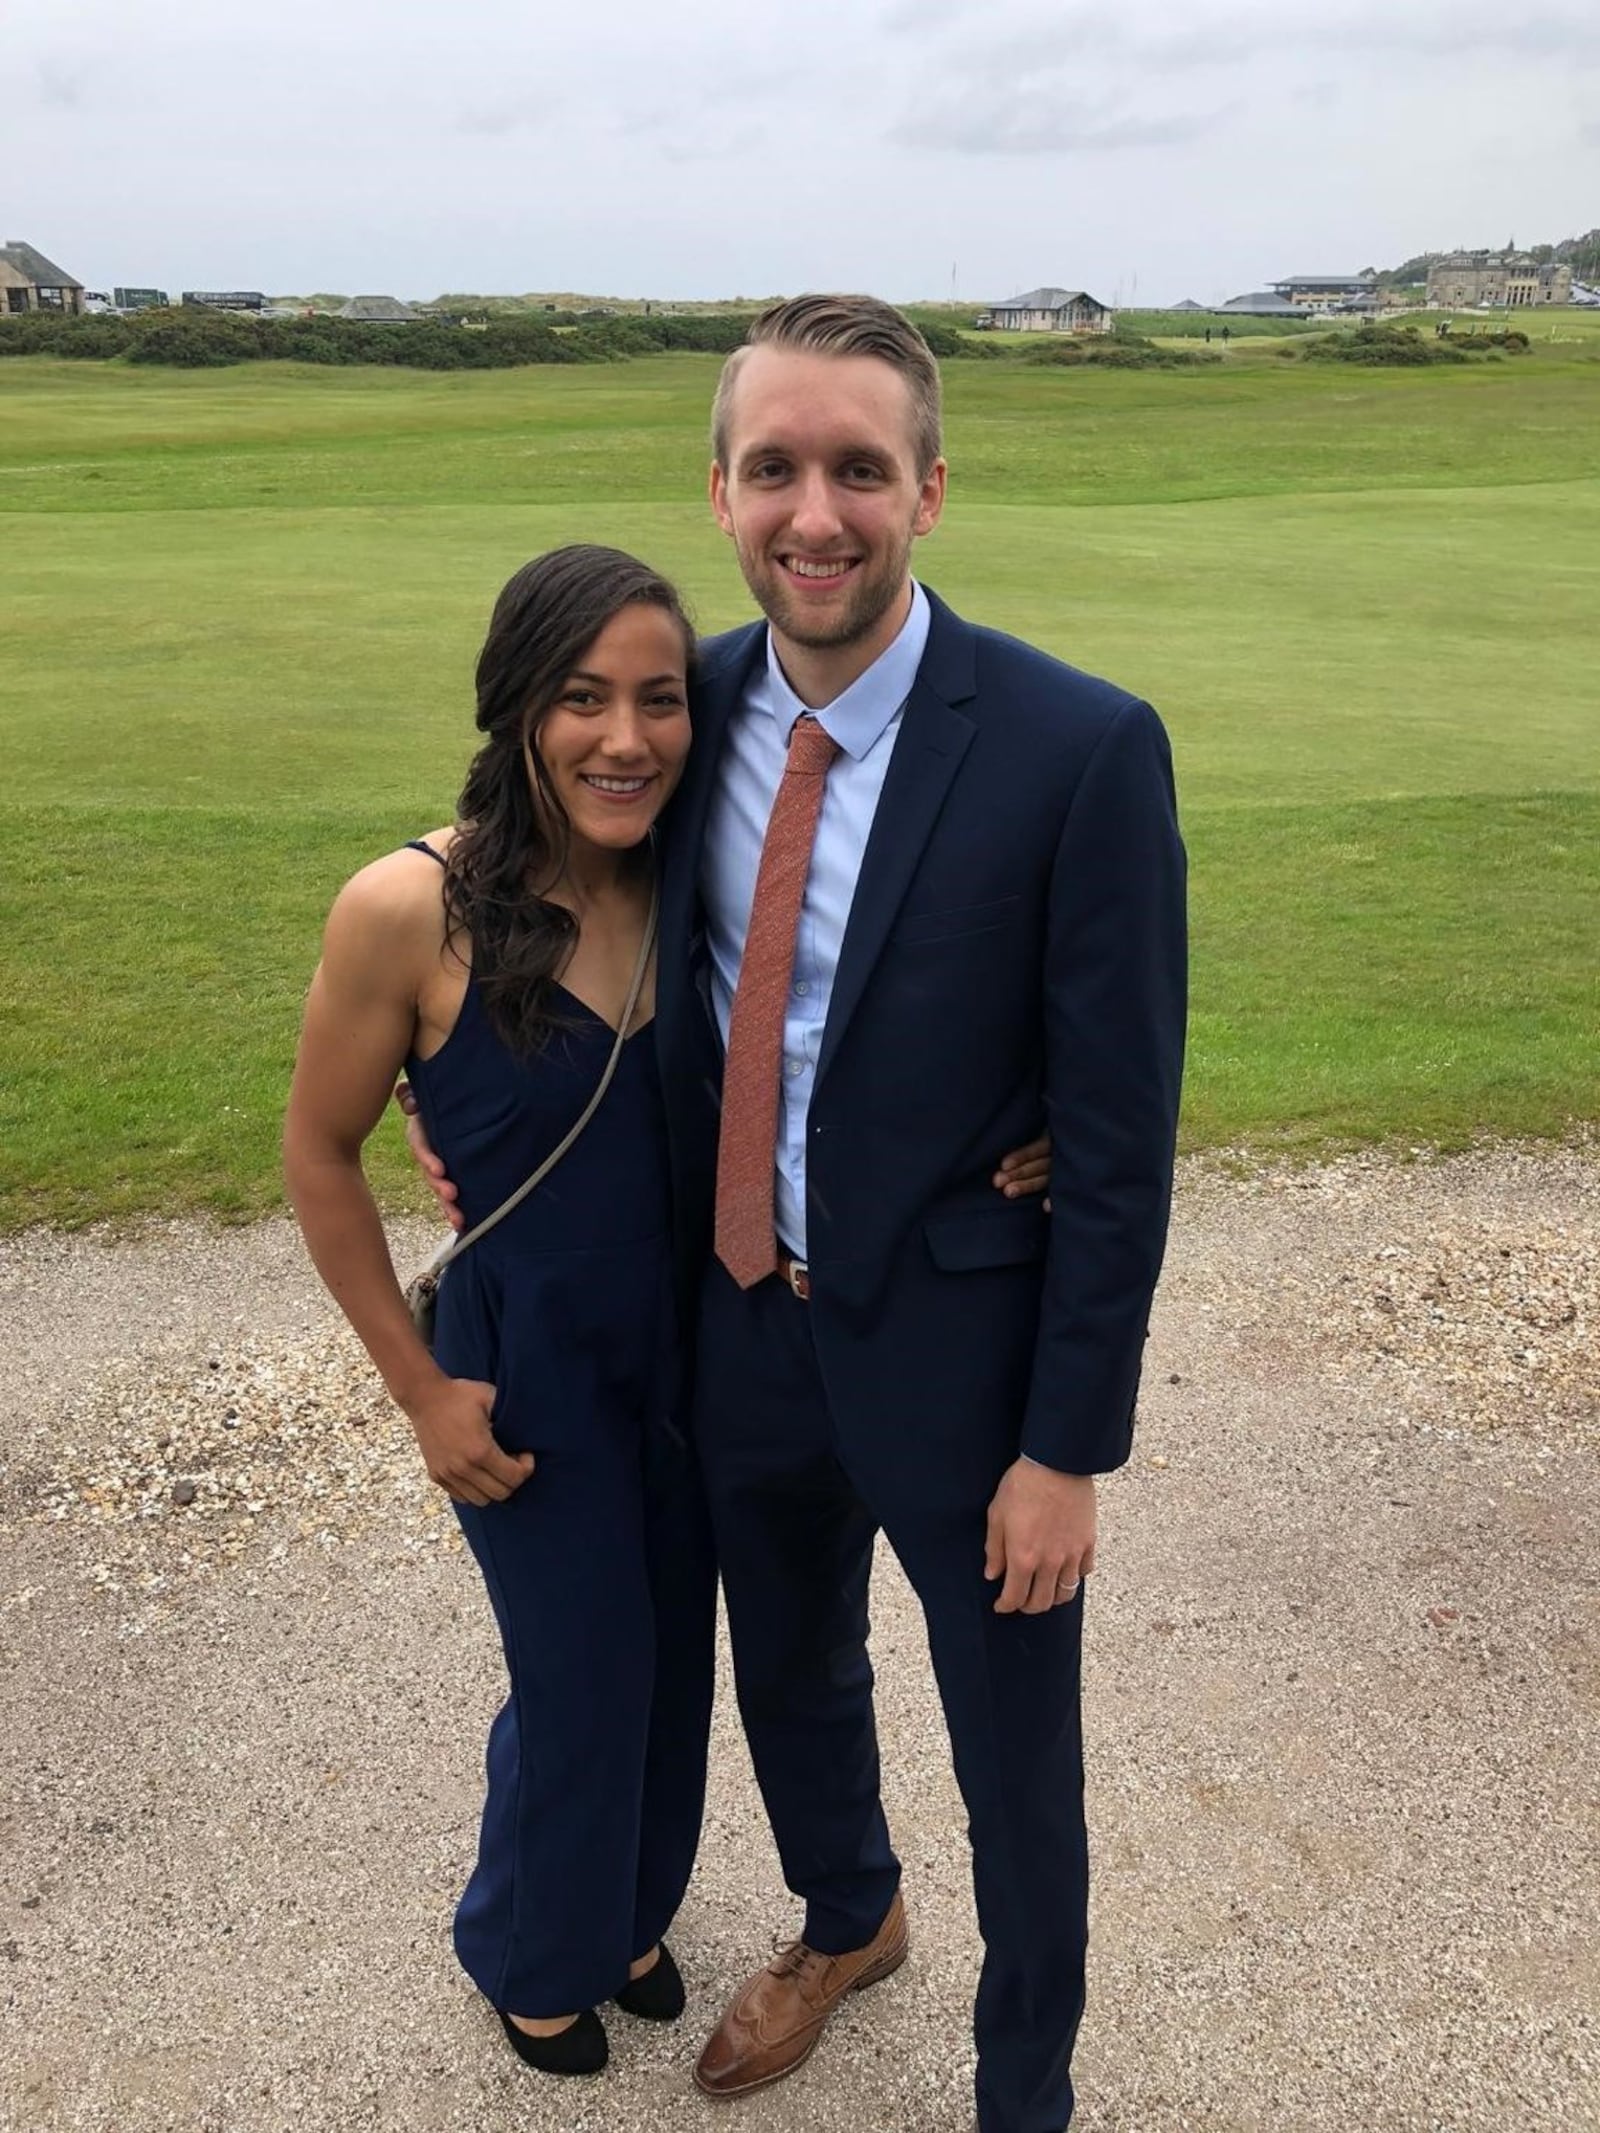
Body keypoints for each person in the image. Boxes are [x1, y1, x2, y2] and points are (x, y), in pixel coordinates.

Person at [414, 294, 1185, 2132]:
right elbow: (535, 889)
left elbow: (1124, 1123)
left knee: (1019, 1758)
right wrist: (452, 1099)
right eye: (776, 469)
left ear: (930, 488)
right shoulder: (693, 713)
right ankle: (853, 1917)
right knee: (792, 1672)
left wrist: (1068, 1443)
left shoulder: (1081, 747)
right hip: (742, 1324)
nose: (813, 511)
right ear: (723, 488)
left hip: (970, 1359)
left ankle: (1027, 2085)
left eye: (857, 468)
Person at [282, 546, 720, 2077]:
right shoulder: (409, 905)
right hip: (524, 1367)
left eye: (660, 699)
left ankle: (626, 1910)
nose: (625, 737)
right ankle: (531, 1945)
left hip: (690, 1352)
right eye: (582, 697)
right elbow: (316, 1153)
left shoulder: (696, 870)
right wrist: (419, 1393)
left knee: (675, 1658)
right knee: (584, 1667)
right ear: (517, 705)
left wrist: (1042, 1119)